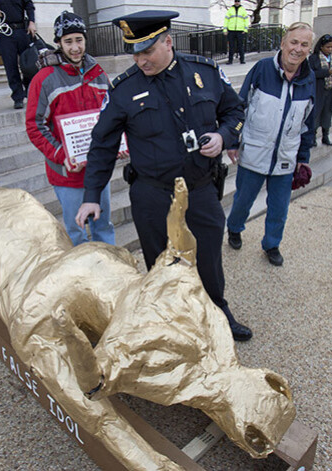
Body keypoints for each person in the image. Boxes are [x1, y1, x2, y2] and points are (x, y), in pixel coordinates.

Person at [75, 11, 252, 342]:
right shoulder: (124, 89)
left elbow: (235, 110)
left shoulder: (205, 72)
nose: (141, 60)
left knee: (210, 257)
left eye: (148, 51)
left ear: (168, 41)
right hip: (152, 194)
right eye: (135, 53)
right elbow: (102, 145)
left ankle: (217, 312)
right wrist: (90, 196)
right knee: (160, 263)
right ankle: (171, 322)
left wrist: (224, 137)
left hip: (199, 190)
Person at [226, 22, 316, 267]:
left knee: (279, 209)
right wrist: (233, 140)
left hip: (286, 157)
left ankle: (272, 244)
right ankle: (234, 228)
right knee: (243, 201)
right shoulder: (262, 69)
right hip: (255, 150)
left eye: (304, 44)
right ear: (283, 44)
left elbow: (309, 122)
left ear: (310, 49)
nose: (297, 49)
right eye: (294, 42)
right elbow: (238, 106)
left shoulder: (309, 80)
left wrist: (303, 157)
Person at [26, 11, 115, 246]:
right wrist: (61, 155)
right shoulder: (44, 79)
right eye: (68, 41)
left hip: (97, 168)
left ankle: (113, 274)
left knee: (103, 225)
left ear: (85, 40)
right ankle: (82, 278)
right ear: (58, 43)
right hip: (67, 173)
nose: (75, 47)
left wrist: (119, 143)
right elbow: (35, 126)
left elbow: (113, 115)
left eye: (79, 40)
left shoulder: (98, 73)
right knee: (76, 232)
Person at [308, 34, 332, 147]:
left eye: (331, 47)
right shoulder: (314, 58)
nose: (330, 49)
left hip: (331, 90)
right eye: (327, 47)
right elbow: (311, 74)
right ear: (321, 46)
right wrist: (327, 73)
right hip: (318, 90)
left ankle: (325, 136)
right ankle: (312, 137)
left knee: (327, 114)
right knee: (316, 114)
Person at [222, 0, 249, 65]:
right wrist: (225, 30)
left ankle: (242, 60)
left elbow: (246, 20)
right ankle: (230, 60)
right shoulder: (230, 10)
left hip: (240, 31)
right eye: (236, 1)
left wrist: (245, 30)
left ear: (240, 2)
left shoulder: (243, 10)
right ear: (234, 2)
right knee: (231, 46)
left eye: (238, 1)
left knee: (240, 46)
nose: (237, 2)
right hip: (231, 30)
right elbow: (226, 20)